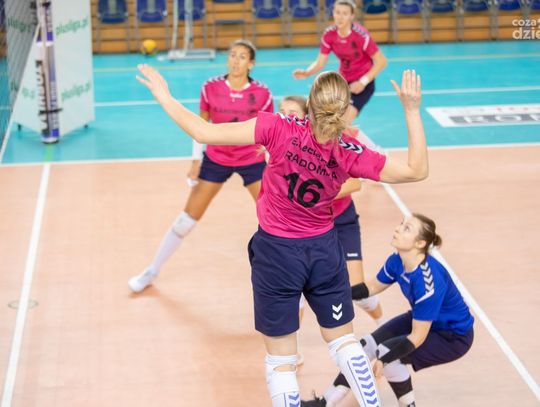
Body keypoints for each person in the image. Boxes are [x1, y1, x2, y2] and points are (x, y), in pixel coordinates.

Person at [136, 64, 428, 407]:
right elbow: (416, 170)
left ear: (310, 102)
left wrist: (165, 96)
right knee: (344, 343)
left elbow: (202, 131)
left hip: (277, 252)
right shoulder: (350, 151)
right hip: (323, 251)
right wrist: (411, 110)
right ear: (343, 108)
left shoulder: (277, 127)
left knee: (281, 361)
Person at [129, 39, 273, 293]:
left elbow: (268, 133)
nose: (235, 60)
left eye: (242, 57)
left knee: (274, 219)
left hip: (251, 160)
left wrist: (273, 166)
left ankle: (290, 281)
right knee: (185, 221)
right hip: (217, 158)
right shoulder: (210, 87)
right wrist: (196, 161)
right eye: (232, 55)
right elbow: (200, 124)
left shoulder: (262, 93)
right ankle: (152, 270)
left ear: (251, 64)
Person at [301, 214, 475, 407]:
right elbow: (371, 287)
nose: (398, 229)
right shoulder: (397, 261)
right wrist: (332, 295)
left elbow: (417, 337)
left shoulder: (428, 283)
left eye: (407, 228)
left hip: (452, 337)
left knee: (388, 355)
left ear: (420, 243)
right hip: (423, 320)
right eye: (401, 224)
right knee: (364, 347)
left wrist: (383, 360)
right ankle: (325, 403)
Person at [279, 95, 385, 327]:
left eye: (292, 113)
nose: (285, 117)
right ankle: (290, 344)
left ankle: (383, 324)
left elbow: (355, 184)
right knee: (295, 289)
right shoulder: (281, 144)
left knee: (355, 288)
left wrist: (315, 195)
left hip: (341, 220)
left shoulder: (336, 140)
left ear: (307, 117)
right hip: (306, 226)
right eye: (281, 112)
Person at [292, 0, 387, 125]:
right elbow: (320, 62)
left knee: (343, 122)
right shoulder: (329, 34)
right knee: (326, 118)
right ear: (333, 13)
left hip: (363, 83)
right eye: (337, 12)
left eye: (345, 13)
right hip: (343, 81)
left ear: (352, 16)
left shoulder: (361, 36)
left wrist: (362, 82)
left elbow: (381, 61)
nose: (340, 17)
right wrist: (306, 73)